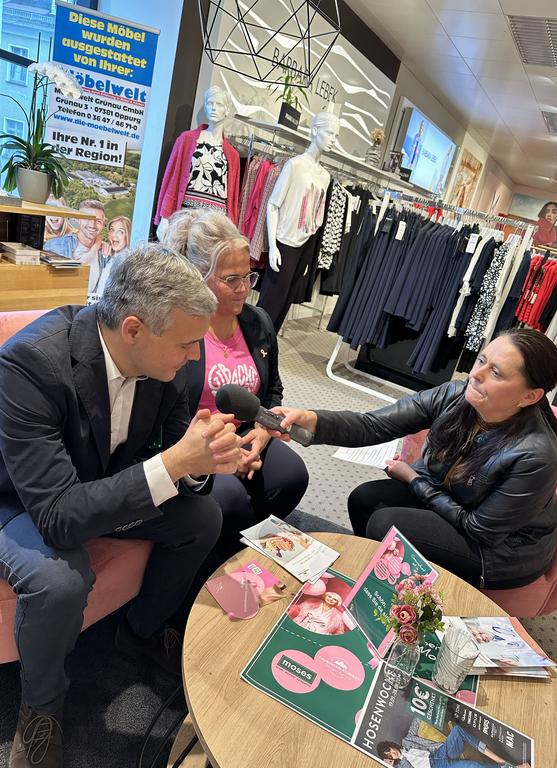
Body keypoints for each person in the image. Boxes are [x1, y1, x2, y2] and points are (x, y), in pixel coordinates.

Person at [0, 243, 243, 768]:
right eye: (186, 344)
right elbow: (58, 516)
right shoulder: (30, 363)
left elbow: (176, 452)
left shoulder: (171, 365)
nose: (195, 357)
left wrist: (202, 460)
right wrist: (174, 463)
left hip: (97, 482)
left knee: (203, 518)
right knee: (58, 581)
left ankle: (140, 632)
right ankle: (41, 709)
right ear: (133, 329)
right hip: (18, 496)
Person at [271, 329, 557, 590]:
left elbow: (479, 529)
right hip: (454, 499)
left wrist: (413, 479)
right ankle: (378, 582)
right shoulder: (455, 395)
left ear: (529, 396)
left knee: (386, 523)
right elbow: (374, 425)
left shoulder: (538, 456)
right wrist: (312, 419)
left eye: (496, 373)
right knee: (364, 499)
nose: (476, 374)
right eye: (481, 360)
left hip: (500, 550)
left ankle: (396, 594)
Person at [162, 208, 309, 563]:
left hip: (247, 433)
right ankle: (213, 563)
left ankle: (240, 549)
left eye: (248, 276)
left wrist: (262, 430)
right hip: (196, 444)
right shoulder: (179, 329)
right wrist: (222, 450)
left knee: (292, 476)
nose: (243, 288)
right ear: (199, 277)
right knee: (228, 500)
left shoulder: (258, 322)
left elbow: (272, 391)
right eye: (231, 279)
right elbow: (164, 415)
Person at [257, 110, 341, 331]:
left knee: (286, 301)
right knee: (271, 299)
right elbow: (273, 205)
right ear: (315, 131)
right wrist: (273, 246)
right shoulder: (294, 165)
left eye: (336, 135)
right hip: (285, 240)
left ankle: (268, 344)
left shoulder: (326, 176)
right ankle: (252, 342)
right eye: (330, 133)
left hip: (307, 242)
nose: (333, 139)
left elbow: (318, 214)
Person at [155, 85, 240, 236]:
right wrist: (165, 217)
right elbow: (172, 178)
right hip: (188, 215)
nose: (214, 108)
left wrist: (231, 228)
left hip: (216, 221)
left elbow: (232, 199)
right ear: (205, 107)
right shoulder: (187, 140)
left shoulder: (233, 155)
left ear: (227, 110)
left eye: (219, 104)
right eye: (210, 103)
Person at [377, 719, 530, 767]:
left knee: (457, 730)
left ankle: (500, 761)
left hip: (440, 752)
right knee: (473, 766)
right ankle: (506, 766)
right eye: (389, 755)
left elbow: (417, 718)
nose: (392, 753)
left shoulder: (406, 740)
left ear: (391, 745)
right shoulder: (400, 766)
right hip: (438, 767)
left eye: (389, 749)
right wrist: (390, 763)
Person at [43, 199, 107, 295]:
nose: (92, 225)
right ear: (78, 219)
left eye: (98, 221)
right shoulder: (54, 246)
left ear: (103, 224)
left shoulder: (105, 254)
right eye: (87, 218)